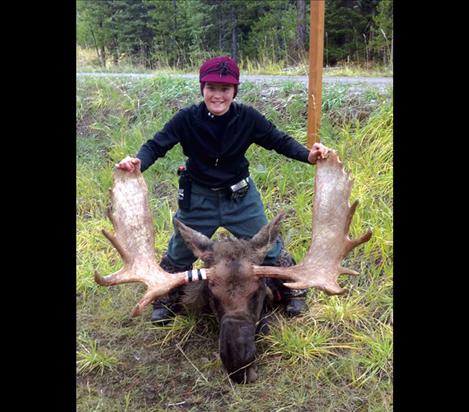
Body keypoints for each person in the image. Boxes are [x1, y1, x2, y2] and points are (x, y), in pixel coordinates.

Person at [116, 55, 331, 324]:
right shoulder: (186, 119)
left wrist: (308, 155)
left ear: (234, 91)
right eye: (212, 88)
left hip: (240, 198)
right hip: (199, 199)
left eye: (225, 89)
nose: (218, 95)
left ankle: (292, 292)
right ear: (202, 89)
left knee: (269, 248)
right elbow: (155, 145)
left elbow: (279, 140)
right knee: (179, 253)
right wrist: (137, 162)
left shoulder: (248, 118)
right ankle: (166, 298)